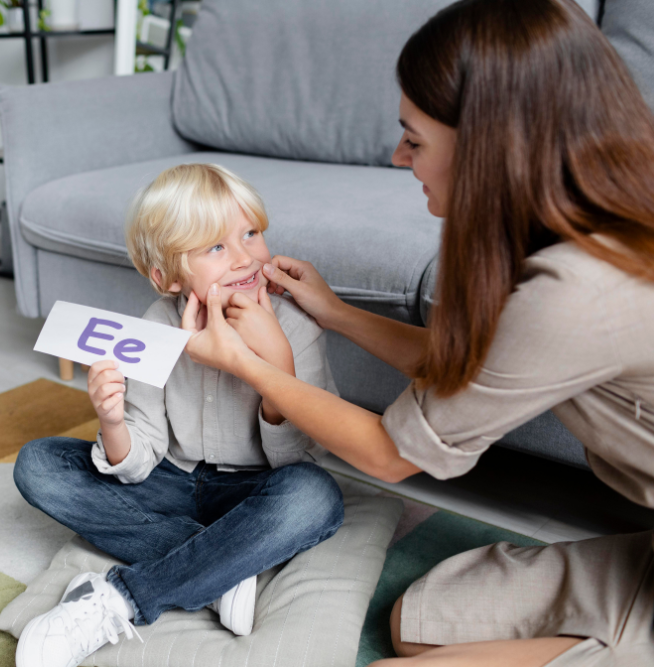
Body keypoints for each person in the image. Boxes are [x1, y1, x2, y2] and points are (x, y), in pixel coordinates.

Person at [178, 1, 654, 666]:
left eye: (415, 139)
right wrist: (335, 311)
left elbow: (389, 453)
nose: (399, 157)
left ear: (489, 146)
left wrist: (249, 366)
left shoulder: (578, 288)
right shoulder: (567, 227)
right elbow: (480, 368)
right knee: (416, 623)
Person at [12, 164, 345, 667]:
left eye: (250, 234)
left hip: (255, 489)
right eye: (215, 247)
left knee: (314, 495)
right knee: (38, 464)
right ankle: (220, 569)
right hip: (170, 479)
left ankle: (126, 596)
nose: (244, 257)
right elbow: (140, 456)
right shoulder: (155, 325)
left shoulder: (295, 326)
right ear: (167, 277)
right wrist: (112, 422)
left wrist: (276, 363)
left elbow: (298, 458)